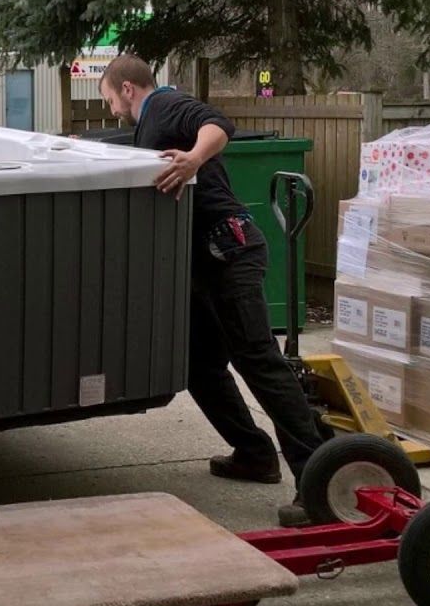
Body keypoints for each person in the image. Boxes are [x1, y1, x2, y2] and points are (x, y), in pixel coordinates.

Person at [98, 54, 324, 528]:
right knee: (199, 365)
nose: (112, 109)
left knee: (258, 361)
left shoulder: (165, 105)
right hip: (206, 260)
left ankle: (318, 481)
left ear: (126, 88)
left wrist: (195, 159)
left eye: (109, 99)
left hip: (230, 249)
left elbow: (218, 124)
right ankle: (254, 453)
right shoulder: (148, 125)